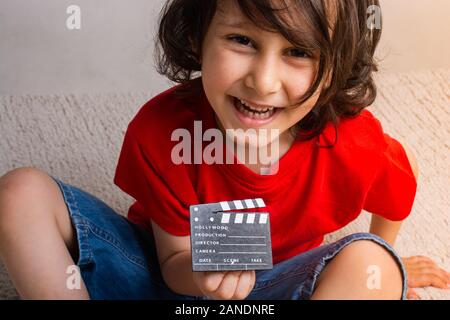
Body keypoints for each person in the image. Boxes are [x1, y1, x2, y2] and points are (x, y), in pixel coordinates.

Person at [0, 0, 448, 300]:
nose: (263, 81)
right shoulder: (162, 130)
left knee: (373, 263)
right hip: (156, 276)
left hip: (274, 288)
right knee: (19, 193)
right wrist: (200, 276)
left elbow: (395, 195)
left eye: (297, 51)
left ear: (335, 71)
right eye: (243, 41)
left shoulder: (354, 142)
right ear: (199, 35)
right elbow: (172, 260)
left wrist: (385, 264)